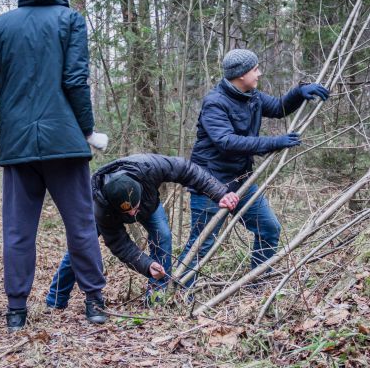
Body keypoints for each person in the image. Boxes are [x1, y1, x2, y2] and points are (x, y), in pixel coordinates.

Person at [0, 0, 109, 332]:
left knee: (18, 230)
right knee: (81, 225)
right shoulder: (70, 20)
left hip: (19, 146)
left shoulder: (2, 26)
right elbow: (75, 79)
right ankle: (94, 303)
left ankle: (16, 312)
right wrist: (88, 130)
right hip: (66, 145)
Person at [178, 48, 330, 286]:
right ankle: (177, 292)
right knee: (201, 245)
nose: (259, 73)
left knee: (269, 228)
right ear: (240, 75)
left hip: (242, 181)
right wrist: (274, 142)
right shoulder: (215, 103)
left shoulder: (252, 96)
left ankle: (257, 283)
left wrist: (300, 92)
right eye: (254, 69)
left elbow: (279, 107)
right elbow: (226, 142)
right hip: (210, 184)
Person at [45, 154, 239, 308]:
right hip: (107, 212)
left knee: (162, 235)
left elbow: (188, 170)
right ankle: (55, 300)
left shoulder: (150, 167)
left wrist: (219, 193)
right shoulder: (101, 207)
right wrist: (146, 265)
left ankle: (157, 297)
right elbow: (120, 245)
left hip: (149, 204)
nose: (132, 215)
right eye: (127, 211)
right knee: (80, 248)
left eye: (133, 208)